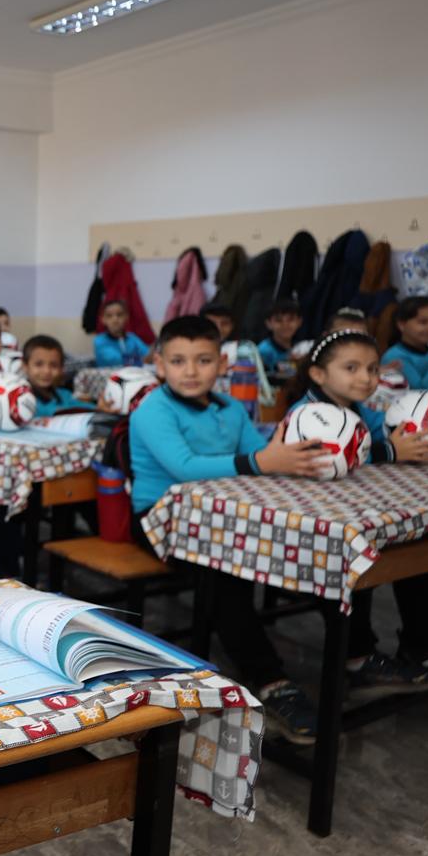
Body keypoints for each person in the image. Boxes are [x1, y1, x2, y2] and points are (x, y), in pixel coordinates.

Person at [129, 315, 329, 744]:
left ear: (221, 364)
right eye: (178, 361)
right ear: (159, 365)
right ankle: (270, 678)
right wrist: (262, 461)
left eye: (203, 360)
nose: (190, 370)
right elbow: (184, 467)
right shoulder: (152, 410)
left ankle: (354, 654)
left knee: (289, 546)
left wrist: (287, 456)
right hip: (159, 518)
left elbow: (260, 454)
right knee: (222, 571)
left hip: (223, 517)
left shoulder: (231, 408)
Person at [287, 329, 428, 694]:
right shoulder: (307, 413)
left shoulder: (358, 407)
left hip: (360, 511)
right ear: (318, 374)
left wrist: (417, 435)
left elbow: (381, 435)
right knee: (358, 559)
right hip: (318, 530)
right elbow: (324, 458)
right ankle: (358, 656)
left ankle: (421, 644)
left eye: (372, 369)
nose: (366, 378)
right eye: (351, 368)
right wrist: (391, 451)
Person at [22, 335, 92, 416]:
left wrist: (99, 407)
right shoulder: (21, 397)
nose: (47, 371)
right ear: (25, 366)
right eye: (39, 364)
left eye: (54, 365)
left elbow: (84, 407)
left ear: (61, 368)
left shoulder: (64, 395)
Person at [94, 300, 151, 367]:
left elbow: (148, 355)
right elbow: (116, 360)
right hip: (109, 373)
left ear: (127, 317)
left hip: (134, 373)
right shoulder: (99, 341)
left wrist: (150, 356)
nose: (115, 319)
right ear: (103, 319)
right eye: (109, 316)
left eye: (119, 315)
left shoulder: (132, 337)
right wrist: (142, 360)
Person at [258, 298, 303, 373]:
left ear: (299, 321)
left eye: (290, 319)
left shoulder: (302, 347)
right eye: (278, 320)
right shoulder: (263, 351)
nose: (285, 325)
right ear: (268, 323)